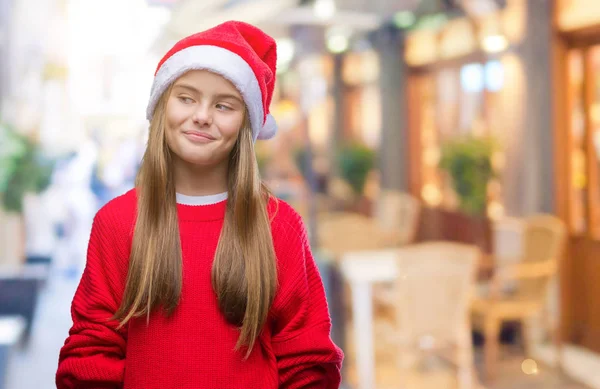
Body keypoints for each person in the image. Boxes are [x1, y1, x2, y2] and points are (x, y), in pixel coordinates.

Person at [55, 21, 343, 389]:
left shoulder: (278, 224)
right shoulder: (117, 221)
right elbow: (91, 353)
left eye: (224, 105)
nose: (202, 115)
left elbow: (306, 357)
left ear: (246, 124)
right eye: (187, 97)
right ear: (162, 106)